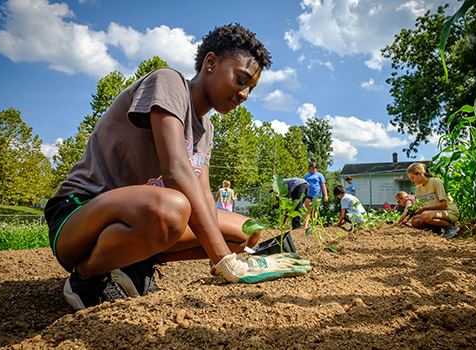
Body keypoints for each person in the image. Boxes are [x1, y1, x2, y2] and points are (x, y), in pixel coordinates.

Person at [44, 24, 311, 311]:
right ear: (211, 63)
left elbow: (205, 195)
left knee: (246, 232)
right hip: (78, 215)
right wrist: (224, 260)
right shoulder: (168, 82)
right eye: (241, 80)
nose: (244, 94)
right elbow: (176, 171)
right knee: (172, 208)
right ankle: (87, 277)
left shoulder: (206, 129)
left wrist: (244, 254)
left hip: (139, 221)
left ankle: (132, 265)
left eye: (251, 89)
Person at [406, 163, 460, 238]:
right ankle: (436, 229)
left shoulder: (436, 182)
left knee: (425, 215)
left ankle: (450, 227)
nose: (412, 180)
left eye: (413, 177)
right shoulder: (418, 188)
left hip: (448, 212)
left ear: (420, 173)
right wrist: (404, 220)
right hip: (432, 213)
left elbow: (444, 205)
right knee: (415, 221)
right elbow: (415, 207)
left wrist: (424, 209)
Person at [303, 162, 328, 229]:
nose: (312, 170)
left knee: (315, 210)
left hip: (317, 195)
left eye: (313, 169)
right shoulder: (307, 175)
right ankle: (305, 225)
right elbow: (304, 185)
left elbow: (323, 185)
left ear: (316, 168)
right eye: (311, 169)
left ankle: (313, 225)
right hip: (308, 194)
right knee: (307, 210)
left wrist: (325, 195)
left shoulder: (319, 175)